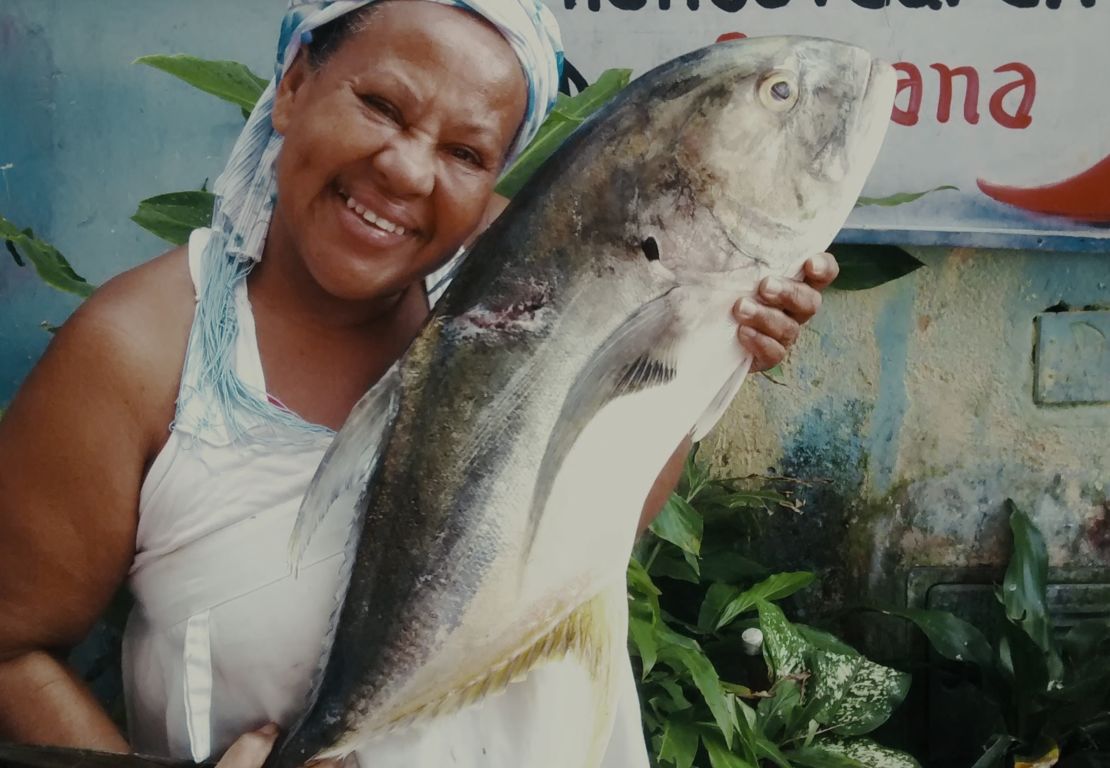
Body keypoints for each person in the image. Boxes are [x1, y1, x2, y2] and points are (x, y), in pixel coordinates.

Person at [0, 1, 839, 766]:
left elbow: (582, 537)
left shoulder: (525, 290)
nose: (405, 170)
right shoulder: (141, 354)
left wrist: (703, 351)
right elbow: (9, 649)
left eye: (466, 152)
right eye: (381, 106)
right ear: (293, 86)